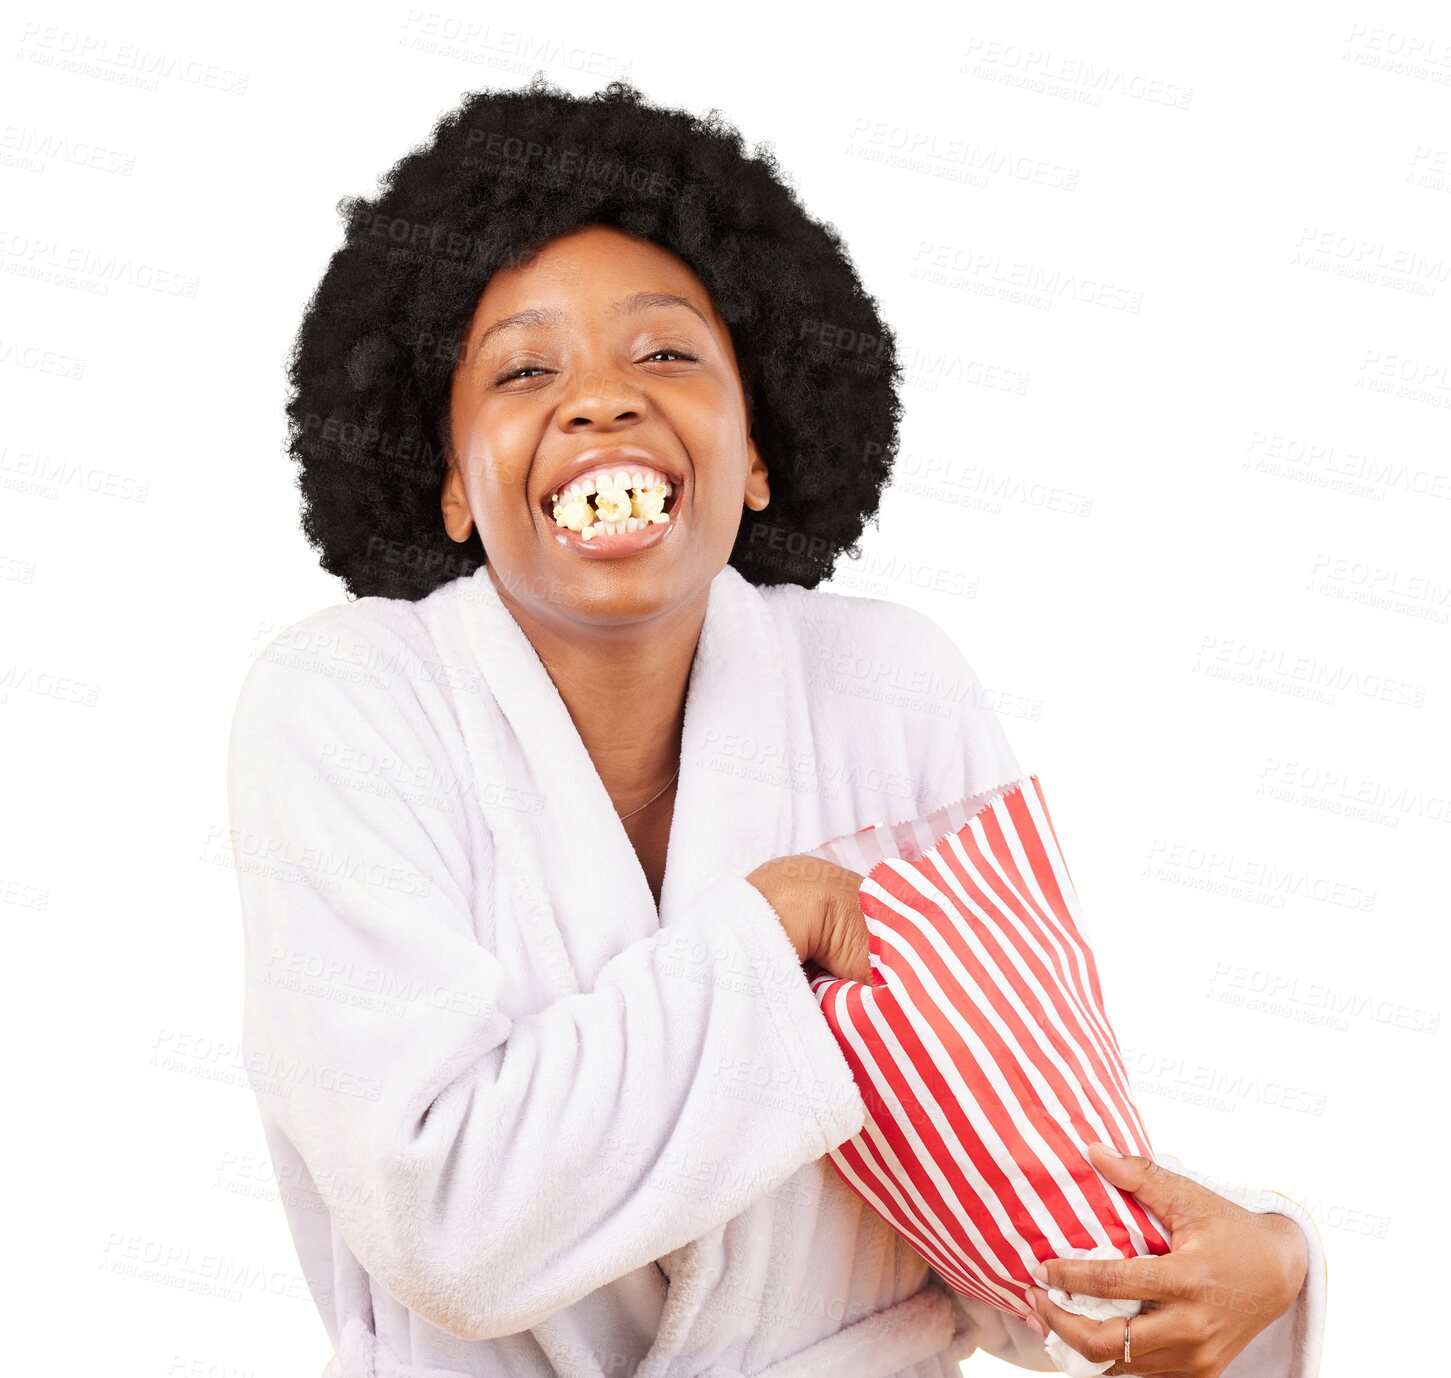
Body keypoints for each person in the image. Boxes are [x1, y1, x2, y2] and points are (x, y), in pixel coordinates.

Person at [229, 75, 1325, 1377]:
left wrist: (1259, 1268)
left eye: (668, 353)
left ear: (758, 448)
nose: (600, 400)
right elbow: (447, 1214)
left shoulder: (890, 690)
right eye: (525, 369)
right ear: (451, 481)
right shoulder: (344, 706)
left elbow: (1023, 1171)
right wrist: (773, 931)